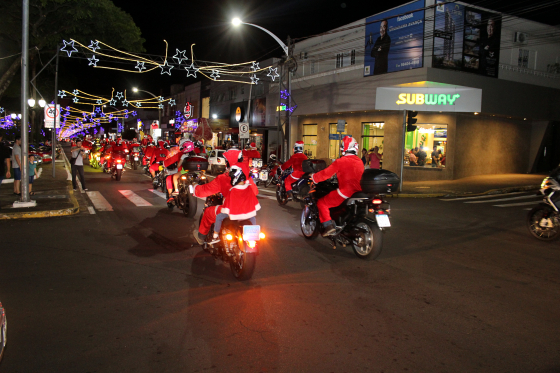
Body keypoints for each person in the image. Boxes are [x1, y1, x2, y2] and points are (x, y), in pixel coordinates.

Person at [192, 149, 258, 245]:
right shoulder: (246, 176)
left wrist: (194, 187)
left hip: (230, 209)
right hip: (248, 209)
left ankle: (201, 237)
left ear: (227, 162)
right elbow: (255, 192)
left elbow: (204, 190)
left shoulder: (223, 178)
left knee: (208, 212)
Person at [310, 136, 364, 236]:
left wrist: (314, 177)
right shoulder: (360, 161)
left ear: (343, 148)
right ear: (356, 148)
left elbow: (325, 174)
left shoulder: (340, 161)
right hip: (358, 192)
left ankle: (328, 226)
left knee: (322, 203)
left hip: (345, 192)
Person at [208, 165, 260, 244]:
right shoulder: (249, 188)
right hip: (248, 214)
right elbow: (255, 202)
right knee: (253, 218)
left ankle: (215, 237)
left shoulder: (233, 190)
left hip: (235, 215)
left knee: (219, 217)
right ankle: (253, 236)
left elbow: (227, 206)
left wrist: (224, 208)